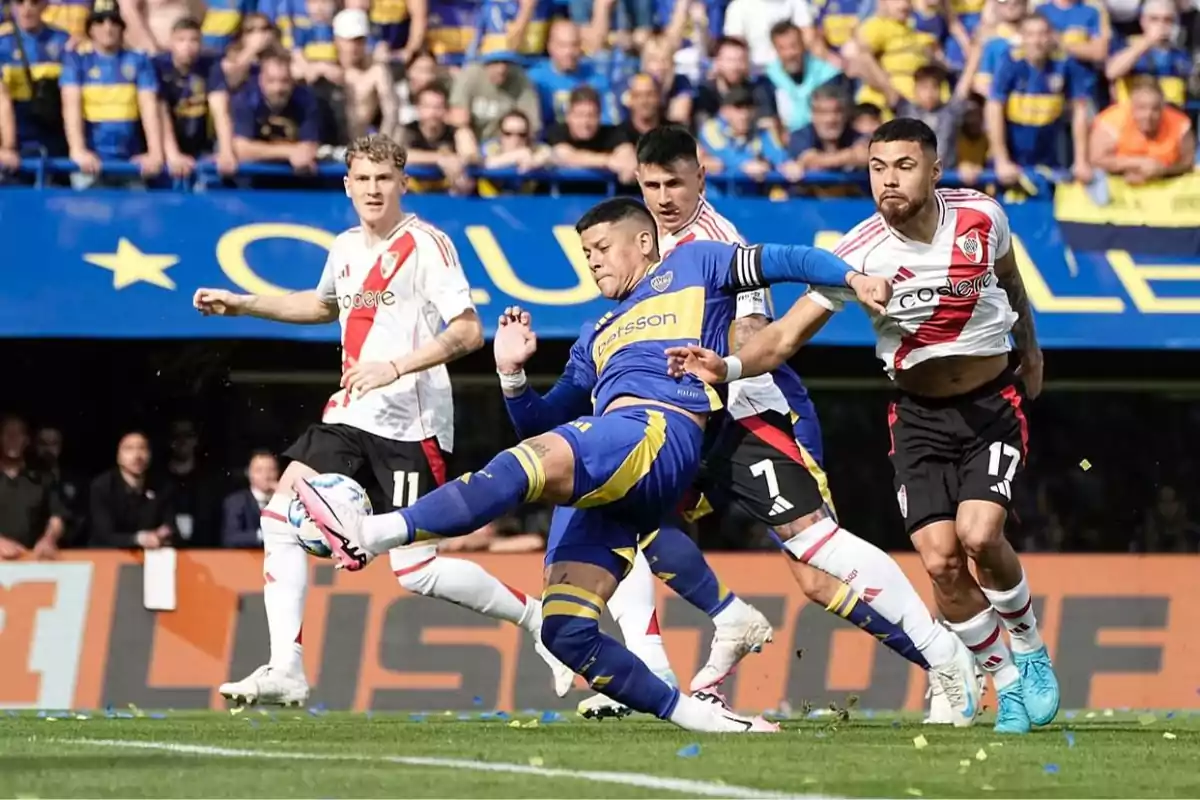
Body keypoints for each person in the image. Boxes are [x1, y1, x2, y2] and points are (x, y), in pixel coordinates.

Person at [295, 198, 912, 734]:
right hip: (618, 464)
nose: (593, 262)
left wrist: (853, 277)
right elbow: (545, 421)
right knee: (565, 630)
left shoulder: (695, 264)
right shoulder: (595, 332)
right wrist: (512, 376)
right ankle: (700, 715)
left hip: (659, 430)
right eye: (585, 253)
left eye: (601, 248)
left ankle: (370, 532)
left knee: (524, 465)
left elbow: (791, 257)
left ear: (643, 242)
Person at [569, 123, 980, 724]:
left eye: (675, 184)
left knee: (815, 570)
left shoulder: (715, 240)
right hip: (685, 418)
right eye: (652, 185)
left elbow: (755, 330)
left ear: (701, 178)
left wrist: (721, 363)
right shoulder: (638, 240)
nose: (664, 198)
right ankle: (652, 669)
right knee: (623, 516)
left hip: (749, 409)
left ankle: (942, 659)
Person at [666, 117, 1059, 735]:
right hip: (918, 414)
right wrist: (731, 364)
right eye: (878, 168)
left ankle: (1030, 649)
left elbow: (1011, 284)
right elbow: (787, 335)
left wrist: (1031, 351)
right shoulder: (856, 252)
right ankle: (1006, 683)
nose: (889, 180)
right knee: (940, 561)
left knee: (979, 535)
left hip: (991, 403)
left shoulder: (983, 216)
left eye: (903, 166)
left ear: (934, 169)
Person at [192, 134, 572, 707]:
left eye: (383, 179)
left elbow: (469, 332)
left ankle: (537, 619)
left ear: (403, 183)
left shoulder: (427, 245)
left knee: (416, 571)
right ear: (347, 186)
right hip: (350, 413)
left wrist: (394, 366)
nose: (373, 189)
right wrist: (242, 303)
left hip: (412, 426)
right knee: (277, 515)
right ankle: (285, 666)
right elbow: (321, 306)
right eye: (362, 179)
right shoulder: (344, 247)